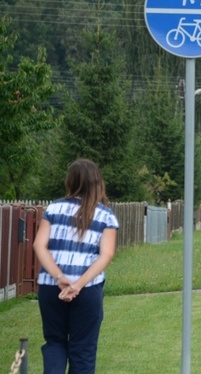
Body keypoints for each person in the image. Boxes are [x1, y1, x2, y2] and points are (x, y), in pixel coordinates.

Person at [33, 159, 119, 374]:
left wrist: (59, 277)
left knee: (54, 342)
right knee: (83, 349)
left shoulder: (53, 208)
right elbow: (106, 254)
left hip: (52, 288)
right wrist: (78, 285)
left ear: (70, 181)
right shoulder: (106, 215)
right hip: (87, 289)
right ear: (98, 182)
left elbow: (39, 245)